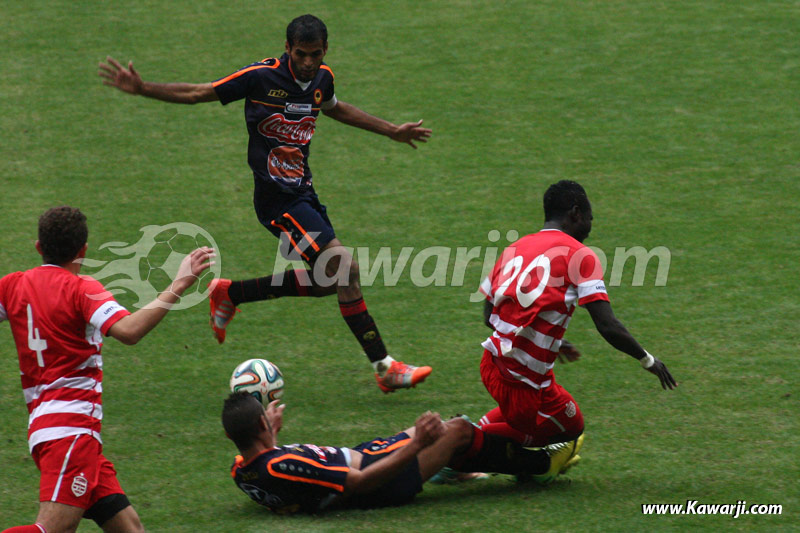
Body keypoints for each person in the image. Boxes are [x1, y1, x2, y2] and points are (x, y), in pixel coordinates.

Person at [98, 14, 432, 393]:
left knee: (329, 281)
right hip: (276, 201)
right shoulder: (260, 77)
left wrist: (392, 130)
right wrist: (144, 89)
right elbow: (197, 93)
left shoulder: (323, 78)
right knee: (345, 268)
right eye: (302, 54)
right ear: (287, 48)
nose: (308, 63)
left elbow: (335, 107)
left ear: (326, 51)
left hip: (304, 194)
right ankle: (385, 367)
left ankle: (231, 293)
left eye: (316, 55)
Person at [0, 206, 215, 533]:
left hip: (49, 431)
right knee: (52, 529)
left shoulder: (13, 285)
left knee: (130, 528)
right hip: (71, 432)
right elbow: (128, 331)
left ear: (38, 247)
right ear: (83, 251)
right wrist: (181, 282)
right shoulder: (80, 289)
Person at [476, 180, 677, 450]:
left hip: (491, 365)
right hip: (522, 380)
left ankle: (474, 433)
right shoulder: (580, 255)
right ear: (575, 214)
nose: (590, 229)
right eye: (590, 219)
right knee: (569, 426)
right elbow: (608, 326)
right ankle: (461, 442)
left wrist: (540, 337)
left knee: (543, 413)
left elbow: (490, 312)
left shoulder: (515, 247)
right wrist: (648, 360)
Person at [221, 392, 583, 514]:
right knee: (456, 431)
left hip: (366, 455)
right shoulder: (283, 463)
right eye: (263, 421)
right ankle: (541, 465)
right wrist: (416, 447)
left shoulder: (244, 470)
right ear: (258, 429)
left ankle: (450, 466)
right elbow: (358, 484)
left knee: (449, 427)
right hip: (380, 480)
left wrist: (269, 431)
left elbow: (270, 467)